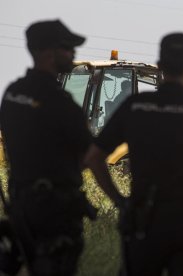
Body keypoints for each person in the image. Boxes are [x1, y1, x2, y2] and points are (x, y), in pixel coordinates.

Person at [83, 33, 183, 275]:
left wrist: (120, 202)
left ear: (159, 67)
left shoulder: (135, 107)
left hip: (145, 222)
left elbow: (93, 158)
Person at [0, 20, 96, 275]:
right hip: (55, 212)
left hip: (22, 206)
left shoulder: (11, 93)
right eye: (67, 47)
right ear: (48, 53)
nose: (73, 53)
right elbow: (90, 155)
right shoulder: (59, 103)